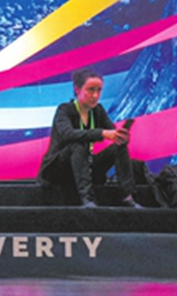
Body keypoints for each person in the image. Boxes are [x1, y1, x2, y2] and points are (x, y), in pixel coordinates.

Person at [39, 69, 142, 207]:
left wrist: (121, 137)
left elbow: (111, 132)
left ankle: (128, 197)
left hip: (84, 167)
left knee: (119, 148)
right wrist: (102, 133)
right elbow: (68, 134)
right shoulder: (64, 110)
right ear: (77, 89)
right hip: (59, 170)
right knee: (78, 144)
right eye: (90, 90)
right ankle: (87, 199)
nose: (95, 95)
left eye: (99, 90)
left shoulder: (98, 110)